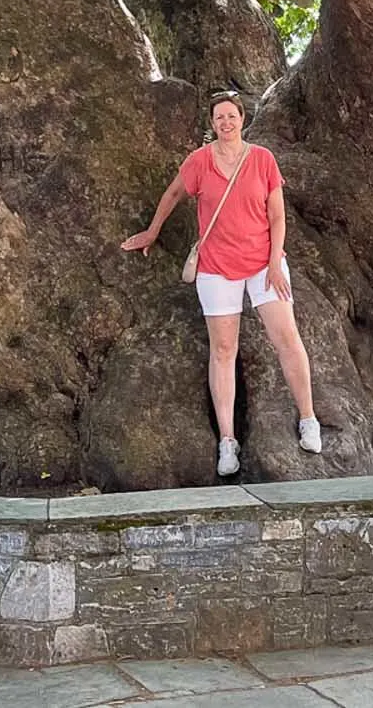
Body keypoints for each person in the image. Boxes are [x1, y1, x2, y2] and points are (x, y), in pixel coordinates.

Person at [121, 88, 321, 476]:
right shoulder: (200, 161)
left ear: (242, 119)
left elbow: (277, 216)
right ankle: (227, 441)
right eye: (219, 117)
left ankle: (308, 418)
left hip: (264, 263)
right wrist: (152, 230)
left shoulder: (262, 159)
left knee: (287, 339)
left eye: (231, 115)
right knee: (223, 350)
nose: (226, 122)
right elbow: (175, 191)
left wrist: (276, 263)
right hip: (215, 266)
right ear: (211, 125)